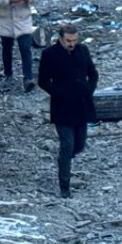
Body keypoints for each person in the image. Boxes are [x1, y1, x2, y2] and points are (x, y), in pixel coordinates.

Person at [37, 24, 99, 199]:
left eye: (74, 40)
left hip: (81, 105)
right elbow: (43, 81)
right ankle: (64, 185)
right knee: (67, 145)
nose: (72, 44)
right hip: (62, 107)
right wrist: (59, 94)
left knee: (79, 144)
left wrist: (89, 90)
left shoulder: (83, 50)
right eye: (68, 41)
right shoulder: (50, 54)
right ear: (61, 38)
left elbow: (93, 73)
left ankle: (64, 162)